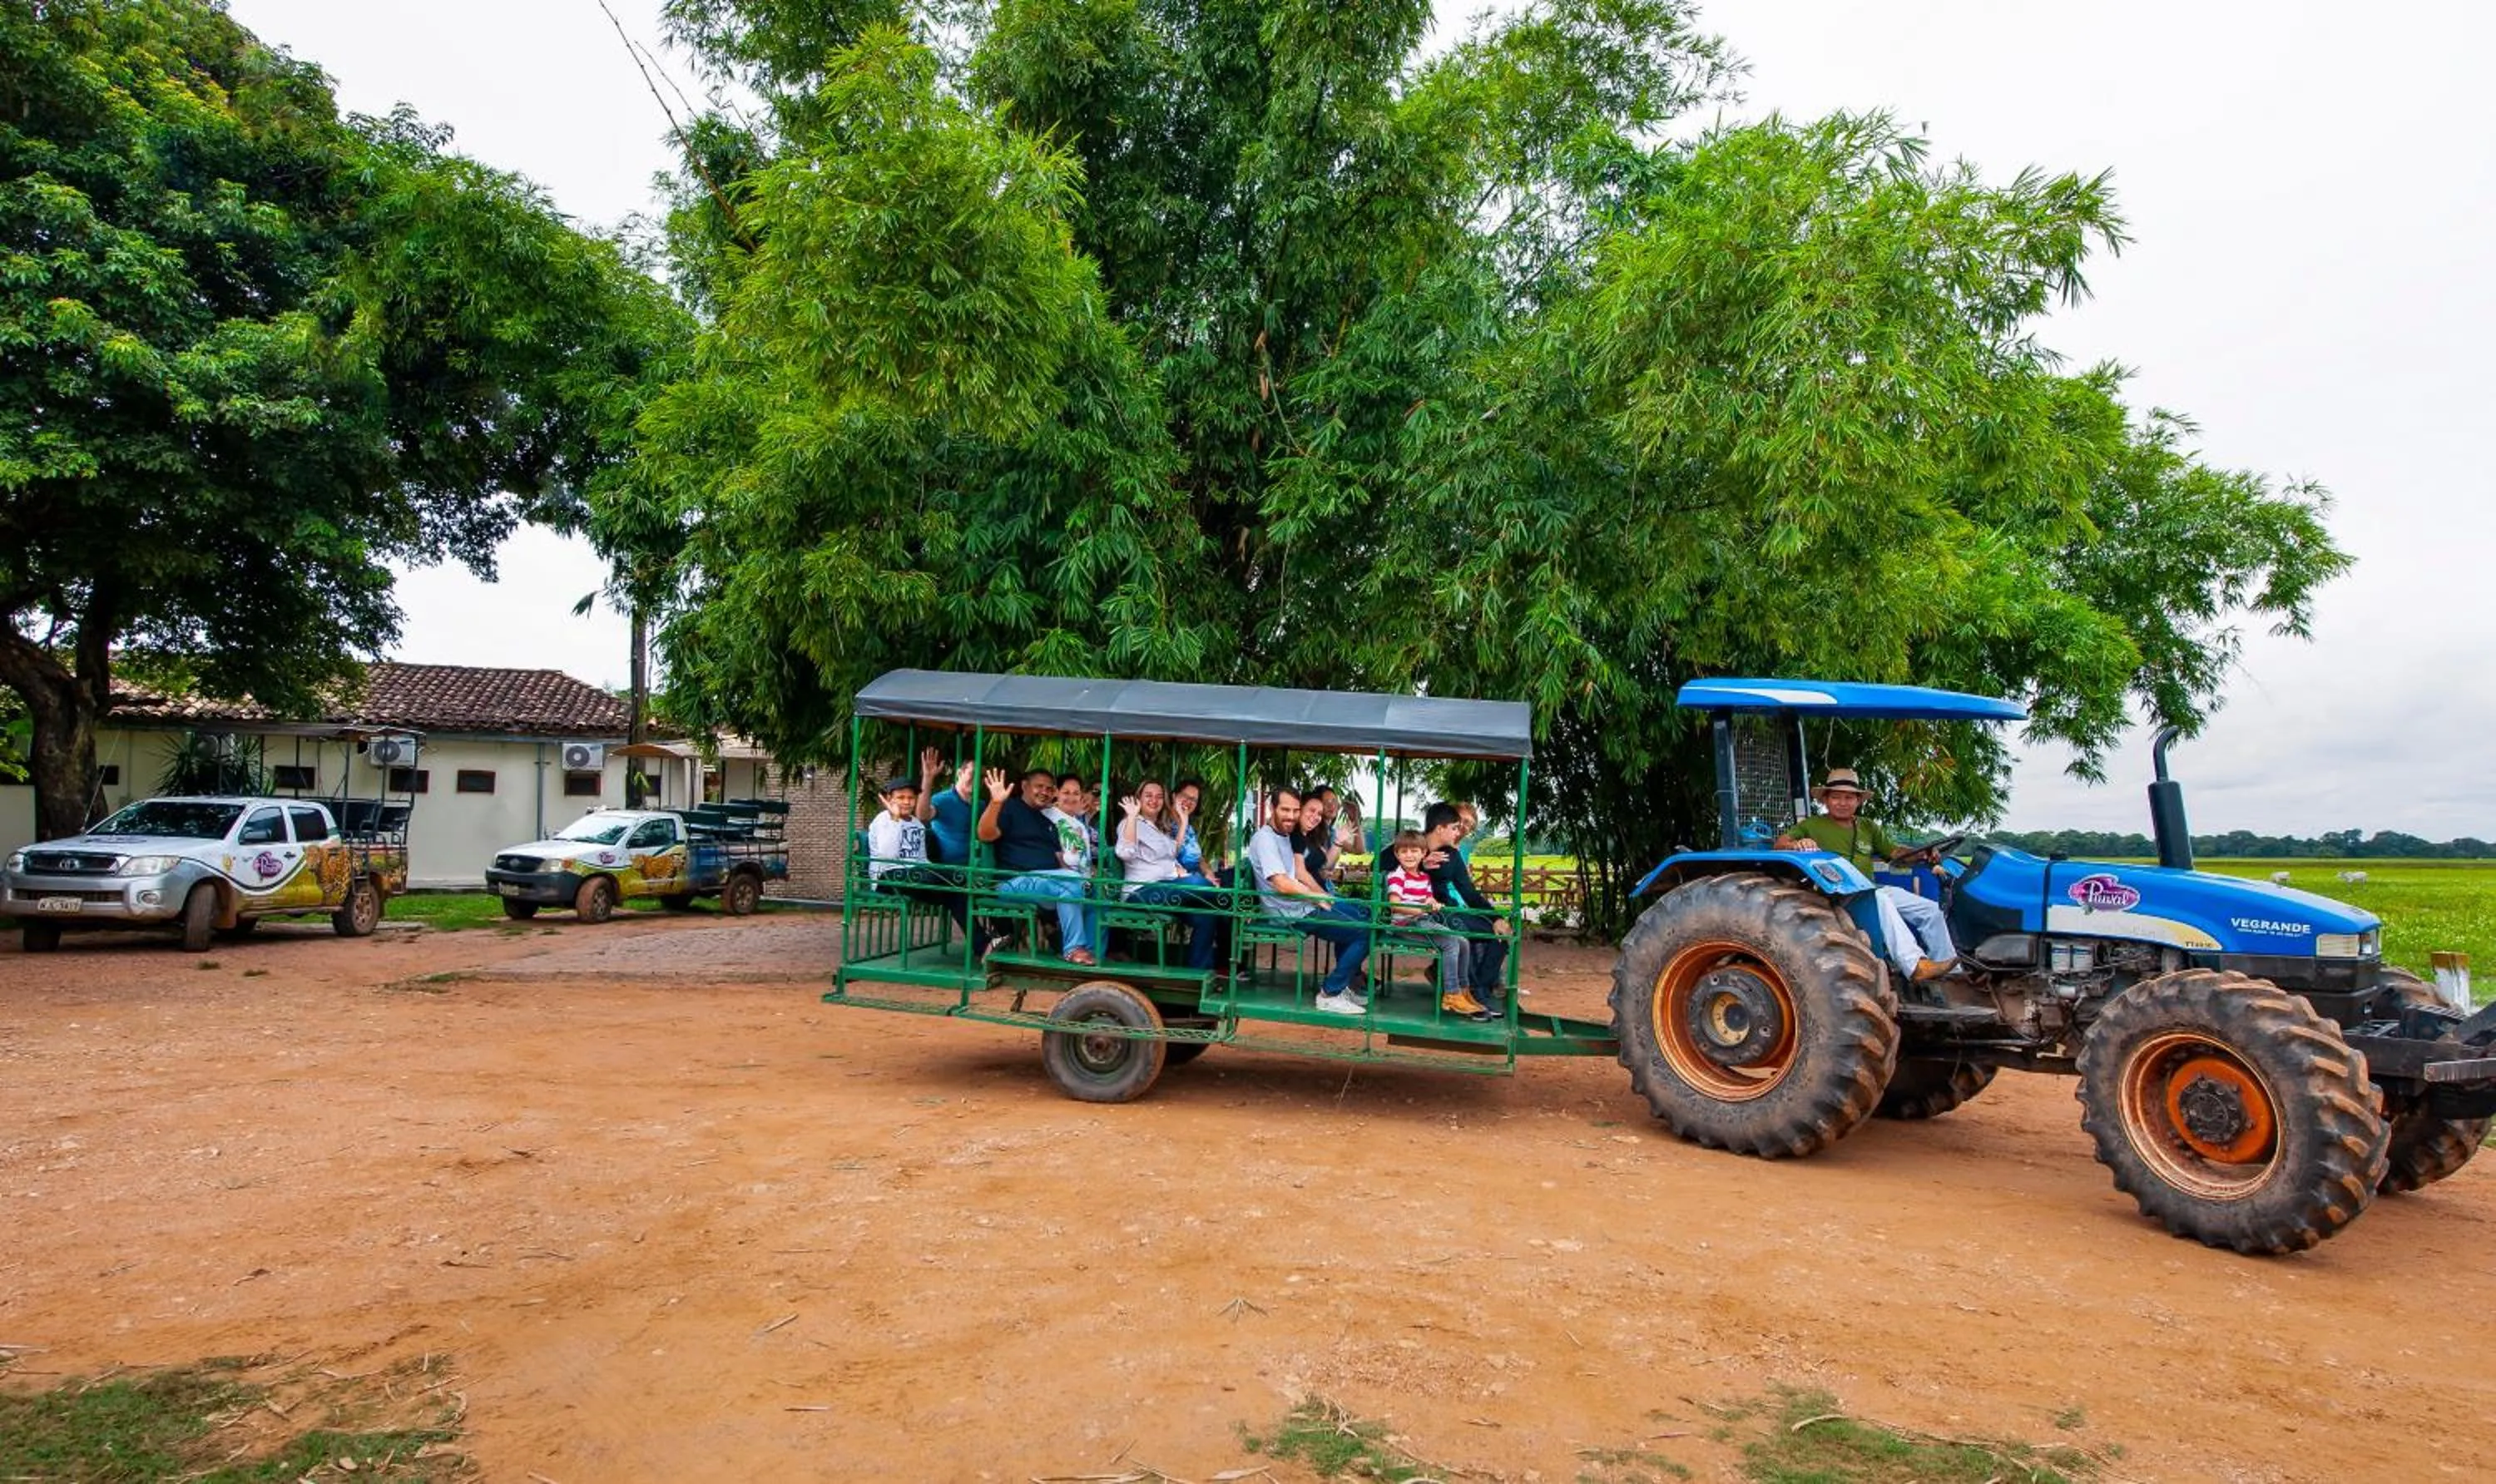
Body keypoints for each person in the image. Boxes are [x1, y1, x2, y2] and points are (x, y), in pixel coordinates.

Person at [1775, 767, 1958, 982]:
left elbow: (1894, 853)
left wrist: (1921, 854)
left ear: (1858, 801)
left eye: (1849, 797)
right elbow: (1780, 844)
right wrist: (1798, 844)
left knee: (1929, 910)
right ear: (1826, 800)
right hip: (1837, 894)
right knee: (1879, 899)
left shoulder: (1868, 827)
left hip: (1870, 888)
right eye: (1836, 797)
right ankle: (1915, 965)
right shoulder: (1812, 825)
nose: (1842, 802)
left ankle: (1952, 975)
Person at [1246, 787, 1372, 1014]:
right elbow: (1282, 883)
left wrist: (1321, 897)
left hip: (1302, 906)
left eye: (1295, 811)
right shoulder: (1265, 839)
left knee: (1364, 915)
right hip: (1289, 913)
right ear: (1272, 808)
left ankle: (1341, 985)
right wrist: (1317, 897)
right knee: (1364, 931)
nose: (1291, 816)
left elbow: (1302, 872)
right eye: (1286, 810)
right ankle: (1330, 993)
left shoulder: (1288, 836)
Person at [976, 765, 1097, 966]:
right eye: (1039, 786)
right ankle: (1073, 948)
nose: (1045, 792)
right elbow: (985, 834)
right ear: (1024, 786)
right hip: (1013, 882)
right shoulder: (1010, 808)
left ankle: (1089, 953)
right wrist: (996, 802)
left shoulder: (1047, 819)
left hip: (1047, 884)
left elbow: (1059, 860)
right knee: (1070, 882)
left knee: (1093, 894)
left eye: (1050, 789)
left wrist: (1084, 874)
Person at [1409, 802, 1512, 1013]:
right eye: (1457, 826)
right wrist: (1419, 863)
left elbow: (1469, 893)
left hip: (1446, 910)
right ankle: (1474, 991)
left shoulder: (1452, 856)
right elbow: (1380, 866)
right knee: (1465, 932)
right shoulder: (1412, 844)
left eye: (1465, 827)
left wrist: (1496, 918)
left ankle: (1478, 989)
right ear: (1441, 827)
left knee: (1500, 935)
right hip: (1422, 913)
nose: (1461, 831)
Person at [1114, 779, 1224, 971]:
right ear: (1139, 798)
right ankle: (1228, 899)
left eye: (1159, 796)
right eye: (1148, 795)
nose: (1154, 800)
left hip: (1164, 889)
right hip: (1141, 892)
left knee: (1206, 917)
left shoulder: (1156, 827)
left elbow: (1173, 852)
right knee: (1199, 883)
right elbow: (1125, 853)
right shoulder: (1129, 823)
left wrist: (1184, 822)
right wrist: (1131, 817)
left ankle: (1198, 973)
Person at [1384, 829, 1483, 1021]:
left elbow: (1427, 897)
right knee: (1450, 943)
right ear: (1397, 854)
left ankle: (1463, 990)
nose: (1409, 855)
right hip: (1405, 924)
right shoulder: (1397, 876)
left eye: (1414, 851)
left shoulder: (1423, 877)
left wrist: (1432, 903)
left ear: (1423, 853)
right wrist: (1422, 910)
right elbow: (1395, 905)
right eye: (1404, 851)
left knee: (1463, 941)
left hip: (1422, 920)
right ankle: (1452, 994)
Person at [864, 776, 968, 930]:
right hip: (888, 877)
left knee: (955, 894)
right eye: (901, 798)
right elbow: (888, 855)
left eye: (911, 798)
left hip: (915, 876)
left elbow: (921, 859)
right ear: (889, 798)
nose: (907, 802)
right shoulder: (883, 820)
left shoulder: (916, 824)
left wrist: (936, 871)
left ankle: (983, 944)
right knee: (952, 878)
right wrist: (895, 819)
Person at [914, 747, 975, 866]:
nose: (976, 779)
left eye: (981, 776)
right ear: (960, 773)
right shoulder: (943, 799)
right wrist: (928, 778)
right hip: (947, 869)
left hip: (974, 867)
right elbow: (922, 815)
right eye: (972, 774)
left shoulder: (980, 804)